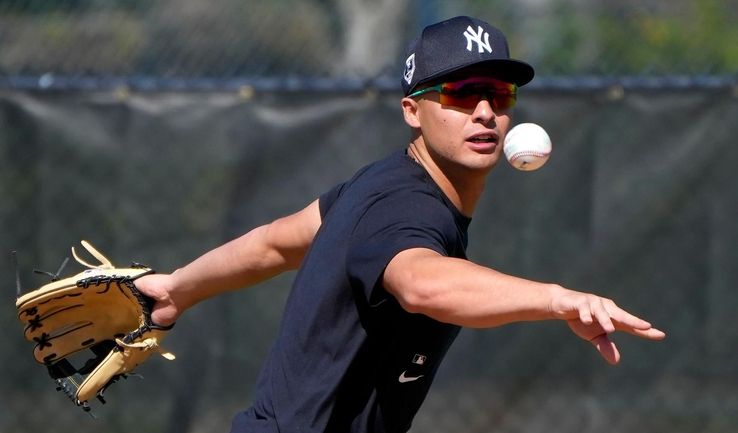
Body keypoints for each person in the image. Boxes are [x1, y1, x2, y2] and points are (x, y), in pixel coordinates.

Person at [136, 15, 665, 433]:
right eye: (460, 93)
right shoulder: (405, 205)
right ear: (413, 110)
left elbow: (276, 243)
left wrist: (177, 289)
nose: (484, 111)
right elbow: (421, 283)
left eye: (499, 95)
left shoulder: (378, 184)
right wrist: (556, 299)